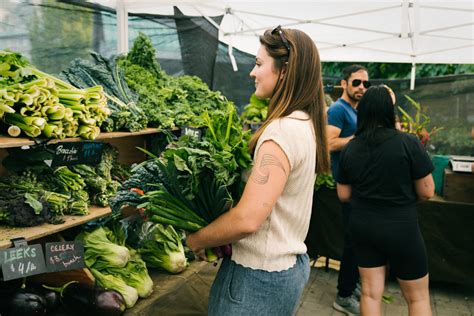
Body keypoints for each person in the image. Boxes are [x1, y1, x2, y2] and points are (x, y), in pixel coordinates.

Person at [186, 25, 330, 315]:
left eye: (259, 64)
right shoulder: (304, 122)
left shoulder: (281, 131)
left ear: (285, 70)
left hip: (257, 278)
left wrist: (192, 240)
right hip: (286, 267)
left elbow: (247, 219)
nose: (252, 72)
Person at [336, 85, 434, 316]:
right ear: (390, 112)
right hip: (401, 226)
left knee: (370, 293)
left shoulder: (351, 147)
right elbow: (427, 191)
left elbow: (343, 195)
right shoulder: (408, 143)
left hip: (363, 226)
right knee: (417, 298)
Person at [327, 64, 370, 315]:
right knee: (353, 241)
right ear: (344, 84)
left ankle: (350, 284)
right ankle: (343, 296)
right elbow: (329, 143)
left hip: (357, 185)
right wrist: (361, 139)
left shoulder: (355, 110)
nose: (362, 88)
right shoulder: (337, 110)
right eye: (356, 83)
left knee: (358, 239)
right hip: (346, 186)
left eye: (366, 84)